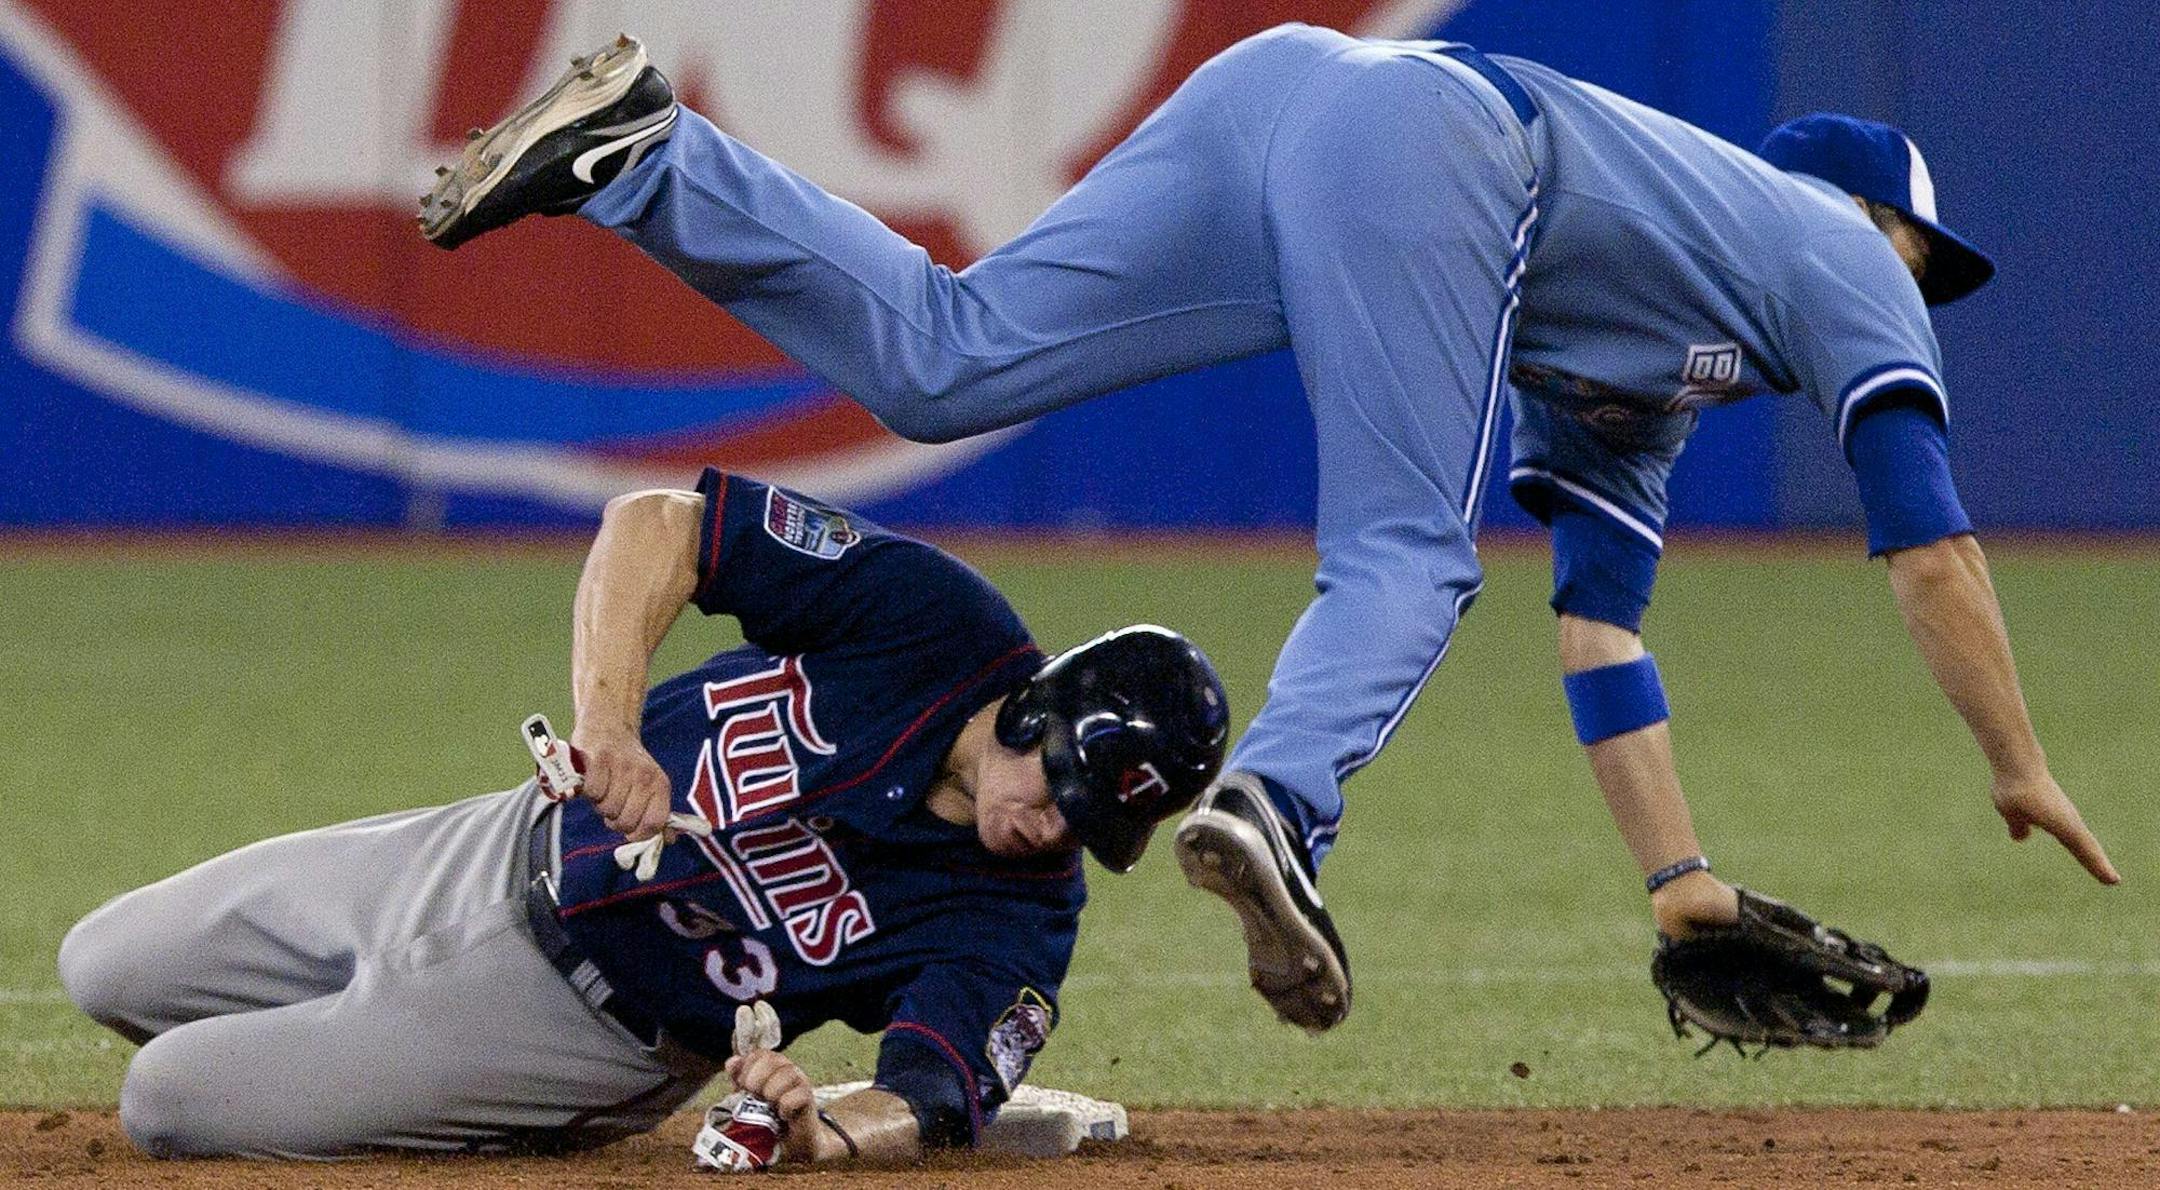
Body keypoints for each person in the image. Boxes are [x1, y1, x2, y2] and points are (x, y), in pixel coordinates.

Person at [420, 27, 2118, 1035]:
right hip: (1439, 144)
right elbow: (1931, 549)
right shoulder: (1832, 251)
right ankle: (1277, 811)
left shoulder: (1661, 351)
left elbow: (1602, 631)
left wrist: (1677, 886)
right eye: (1931, 260)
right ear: (1881, 217)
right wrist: (2019, 760)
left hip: (1290, 98)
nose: (1927, 292)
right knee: (1407, 558)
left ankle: (644, 157)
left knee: (951, 362)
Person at [56, 467, 1230, 1161]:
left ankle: (465, 1102)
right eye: (1063, 792)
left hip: (576, 1033)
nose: (1056, 830)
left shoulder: (1018, 916)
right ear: (1037, 712)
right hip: (481, 839)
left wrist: (819, 1127)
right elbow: (659, 524)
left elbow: (926, 1091)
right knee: (100, 962)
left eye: (1091, 828)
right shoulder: (930, 618)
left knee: (167, 1100)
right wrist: (607, 727)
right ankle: (348, 1043)